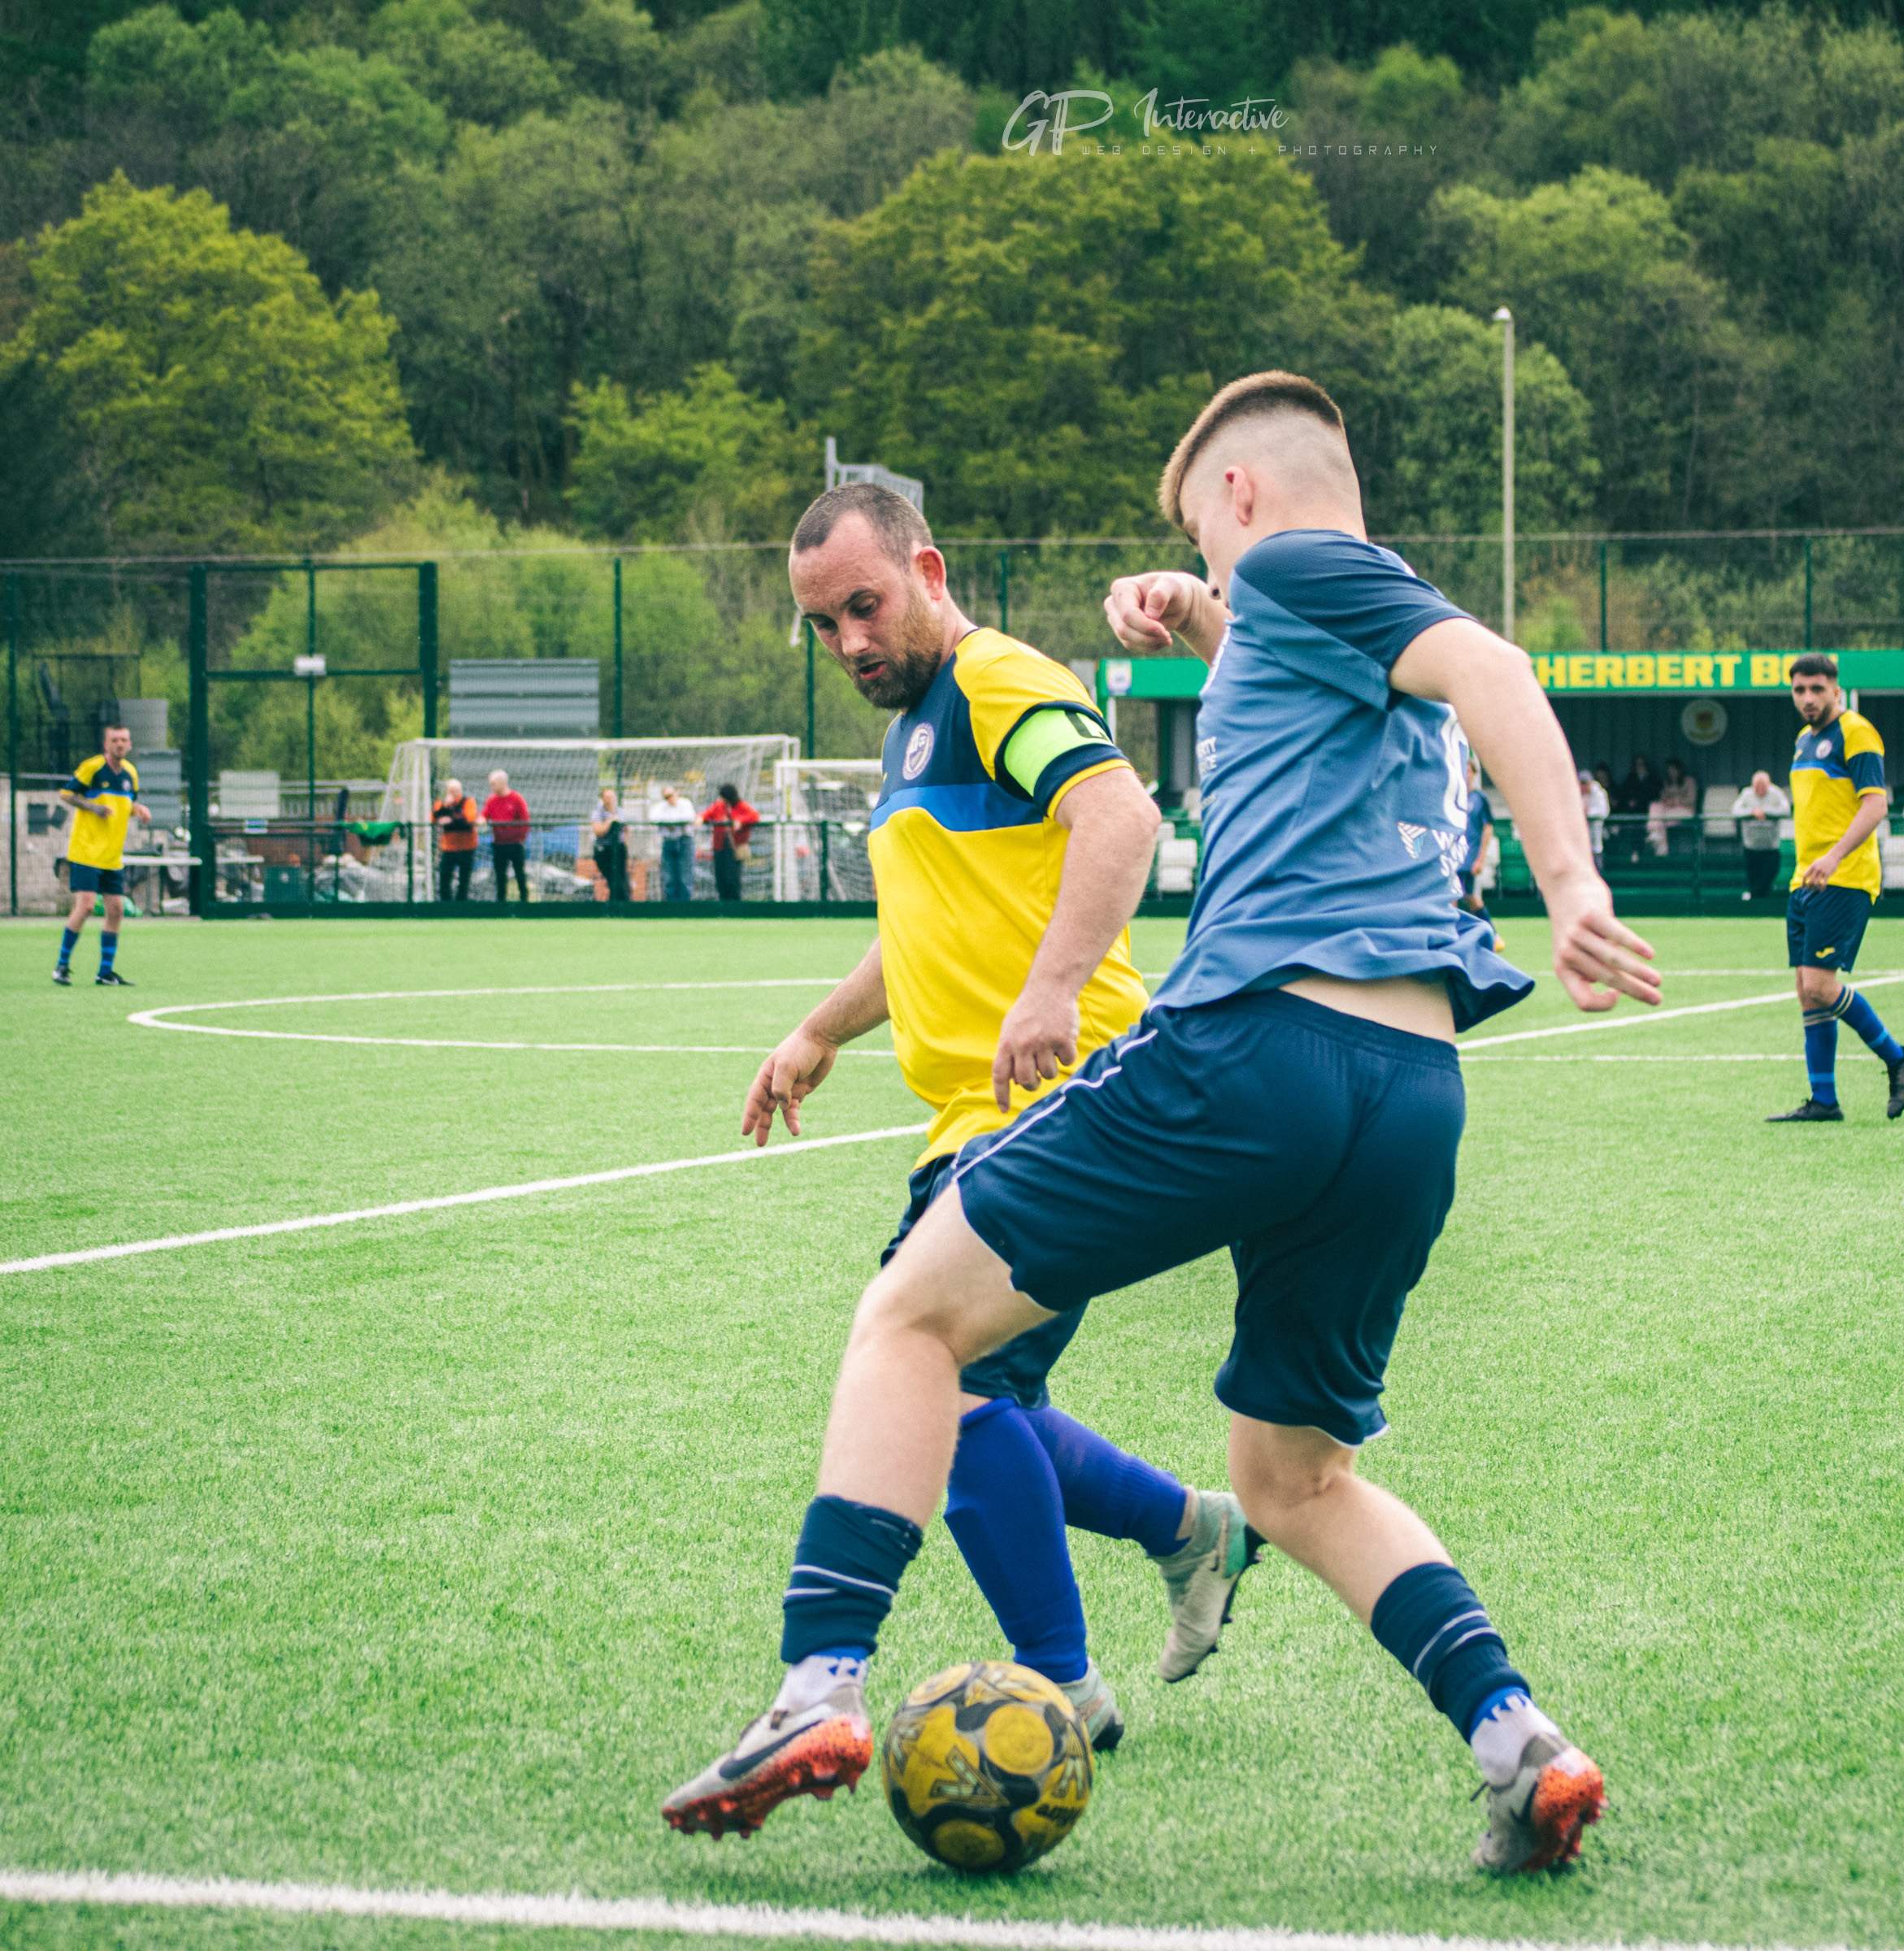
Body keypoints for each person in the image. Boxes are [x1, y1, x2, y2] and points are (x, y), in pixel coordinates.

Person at [663, 372, 1663, 1875]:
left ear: (1244, 499)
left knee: (914, 1322)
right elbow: (1357, 674)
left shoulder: (1308, 570)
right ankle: (1521, 1744)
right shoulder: (1315, 627)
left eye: (1203, 529)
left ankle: (817, 1684)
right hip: (1410, 1092)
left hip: (1257, 1048)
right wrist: (1200, 623)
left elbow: (1499, 673)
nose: (1209, 564)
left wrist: (1572, 878)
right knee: (1293, 1481)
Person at [662, 482, 1259, 1837]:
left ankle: (1048, 1690)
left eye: (866, 606)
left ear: (926, 570)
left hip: (1065, 1089)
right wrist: (820, 1032)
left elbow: (1120, 819)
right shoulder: (915, 735)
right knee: (979, 1389)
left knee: (948, 1381)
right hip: (979, 1113)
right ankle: (1188, 1530)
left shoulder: (998, 679)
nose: (851, 641)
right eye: (824, 625)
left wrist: (1051, 993)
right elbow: (927, 925)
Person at [1768, 652, 1904, 1123]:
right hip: (1806, 879)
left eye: (1817, 689)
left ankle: (1898, 1058)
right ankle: (1824, 1101)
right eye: (1799, 690)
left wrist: (1834, 857)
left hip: (1846, 877)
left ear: (1837, 690)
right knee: (1806, 989)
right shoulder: (1802, 740)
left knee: (1820, 983)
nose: (1808, 698)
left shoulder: (1856, 731)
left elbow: (1875, 807)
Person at [50, 722, 150, 986]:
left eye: (124, 740)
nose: (120, 744)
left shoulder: (131, 773)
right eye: (115, 740)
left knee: (116, 910)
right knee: (84, 907)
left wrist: (138, 810)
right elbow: (66, 794)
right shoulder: (93, 768)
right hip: (86, 852)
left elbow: (128, 803)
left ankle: (105, 973)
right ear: (106, 745)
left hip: (111, 857)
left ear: (129, 744)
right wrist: (93, 809)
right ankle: (62, 966)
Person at [1458, 752, 1506, 952]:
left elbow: (1488, 828)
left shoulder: (1479, 799)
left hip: (1469, 858)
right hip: (1455, 857)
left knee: (1468, 897)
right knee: (1457, 897)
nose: (1465, 773)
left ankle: (1492, 935)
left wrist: (1480, 858)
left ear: (1474, 774)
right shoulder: (1456, 798)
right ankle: (1460, 939)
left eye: (1469, 770)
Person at [1730, 769, 1790, 900]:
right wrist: (1752, 812)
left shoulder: (1777, 793)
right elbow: (1735, 811)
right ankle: (1755, 905)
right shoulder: (1746, 794)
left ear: (1769, 784)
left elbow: (1786, 810)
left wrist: (1765, 812)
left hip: (1771, 847)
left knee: (1769, 875)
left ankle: (1757, 900)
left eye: (1763, 786)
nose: (1760, 789)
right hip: (1751, 847)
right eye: (1757, 786)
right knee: (1753, 878)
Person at [703, 783, 760, 902]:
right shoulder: (719, 806)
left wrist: (740, 820)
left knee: (732, 876)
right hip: (720, 846)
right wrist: (700, 817)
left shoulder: (742, 806)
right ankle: (722, 902)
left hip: (735, 846)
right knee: (720, 875)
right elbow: (707, 814)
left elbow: (755, 816)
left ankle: (734, 903)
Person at [482, 770, 530, 903]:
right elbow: (484, 815)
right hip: (499, 844)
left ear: (502, 783)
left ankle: (524, 901)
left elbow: (525, 820)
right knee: (500, 875)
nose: (491, 787)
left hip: (515, 844)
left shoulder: (516, 799)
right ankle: (501, 903)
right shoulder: (491, 800)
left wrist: (520, 839)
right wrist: (480, 820)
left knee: (519, 873)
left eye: (493, 784)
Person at [432, 776, 478, 902]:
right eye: (451, 791)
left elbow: (468, 819)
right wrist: (446, 807)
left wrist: (450, 820)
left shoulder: (468, 802)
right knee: (445, 877)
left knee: (464, 879)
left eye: (456, 791)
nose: (454, 794)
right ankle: (445, 904)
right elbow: (434, 817)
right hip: (449, 847)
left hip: (467, 847)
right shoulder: (442, 804)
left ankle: (461, 904)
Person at [651, 784, 697, 900]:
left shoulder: (685, 803)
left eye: (671, 795)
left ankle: (685, 905)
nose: (669, 799)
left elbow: (688, 817)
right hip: (669, 842)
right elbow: (653, 817)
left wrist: (669, 823)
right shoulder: (661, 806)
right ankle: (671, 905)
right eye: (666, 797)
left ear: (676, 793)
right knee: (669, 876)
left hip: (684, 841)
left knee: (685, 875)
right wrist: (672, 823)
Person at [589, 786, 629, 904]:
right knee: (612, 877)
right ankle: (616, 903)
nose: (610, 800)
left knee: (621, 877)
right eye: (607, 797)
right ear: (602, 799)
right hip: (604, 850)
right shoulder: (598, 813)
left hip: (619, 849)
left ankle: (621, 903)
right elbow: (599, 831)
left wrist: (625, 844)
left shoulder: (620, 812)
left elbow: (626, 829)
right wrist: (609, 821)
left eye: (612, 797)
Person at [1613, 754, 1657, 860]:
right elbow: (1623, 794)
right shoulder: (1631, 778)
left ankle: (1640, 853)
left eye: (1642, 764)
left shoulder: (1652, 778)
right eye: (1638, 765)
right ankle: (1632, 853)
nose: (1640, 767)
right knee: (1632, 822)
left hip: (1648, 812)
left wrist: (1645, 780)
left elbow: (1655, 795)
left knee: (1639, 824)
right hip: (1632, 812)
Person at [1649, 756, 1696, 857]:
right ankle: (1660, 846)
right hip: (1669, 813)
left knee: (1659, 820)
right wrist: (1665, 799)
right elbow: (1662, 801)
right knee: (1655, 806)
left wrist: (1674, 802)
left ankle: (1658, 842)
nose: (1671, 772)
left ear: (1679, 770)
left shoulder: (1689, 781)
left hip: (1686, 811)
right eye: (1669, 770)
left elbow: (1691, 800)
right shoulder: (1667, 783)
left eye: (1673, 769)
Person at [1579, 767, 1609, 860]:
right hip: (1579, 846)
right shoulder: (1574, 794)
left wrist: (1588, 812)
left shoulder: (1600, 793)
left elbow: (1604, 812)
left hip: (1595, 844)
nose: (1584, 787)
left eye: (1586, 784)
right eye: (1582, 784)